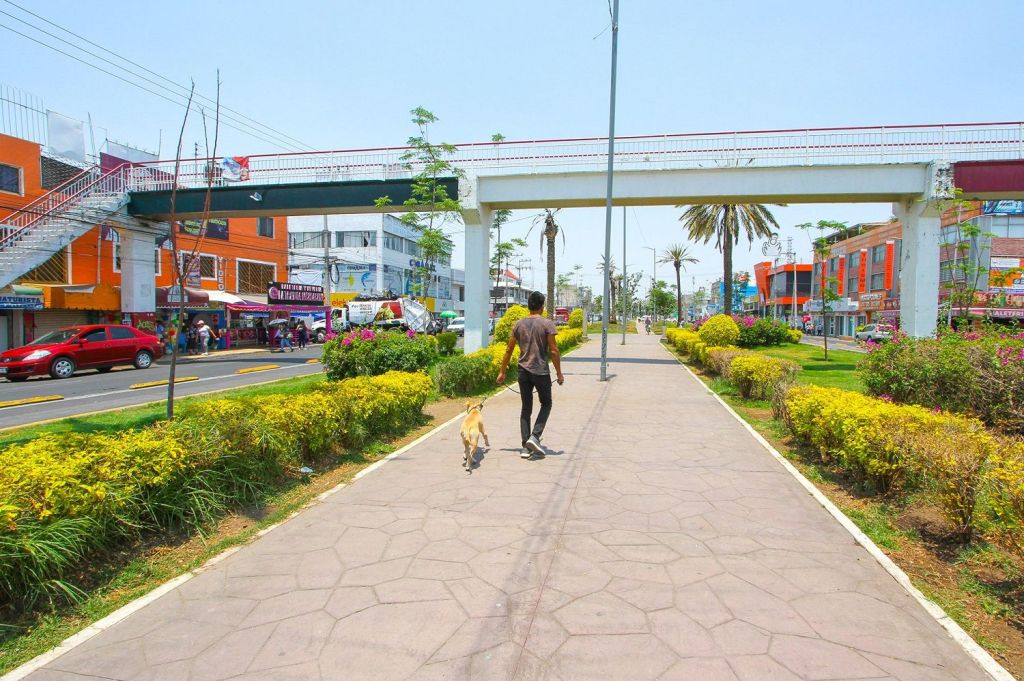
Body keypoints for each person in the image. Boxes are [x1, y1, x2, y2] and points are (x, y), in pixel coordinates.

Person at [497, 291, 565, 459]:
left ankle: (525, 448)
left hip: (523, 372)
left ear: (529, 306)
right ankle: (535, 436)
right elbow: (554, 351)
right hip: (541, 371)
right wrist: (559, 373)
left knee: (526, 408)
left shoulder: (518, 324)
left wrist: (502, 372)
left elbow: (508, 349)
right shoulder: (547, 324)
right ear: (542, 307)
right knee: (546, 404)